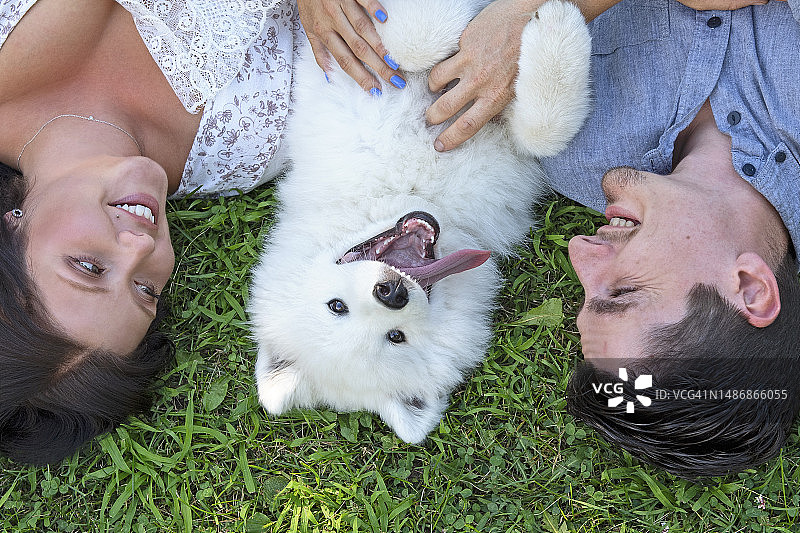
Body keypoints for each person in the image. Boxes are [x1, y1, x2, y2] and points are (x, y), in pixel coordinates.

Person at [0, 0, 402, 465]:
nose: (141, 247)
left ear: (12, 231)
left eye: (89, 267)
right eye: (144, 289)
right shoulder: (249, 144)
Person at [421, 0, 800, 478]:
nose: (580, 253)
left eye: (587, 293)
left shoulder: (573, 147)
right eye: (623, 292)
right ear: (749, 286)